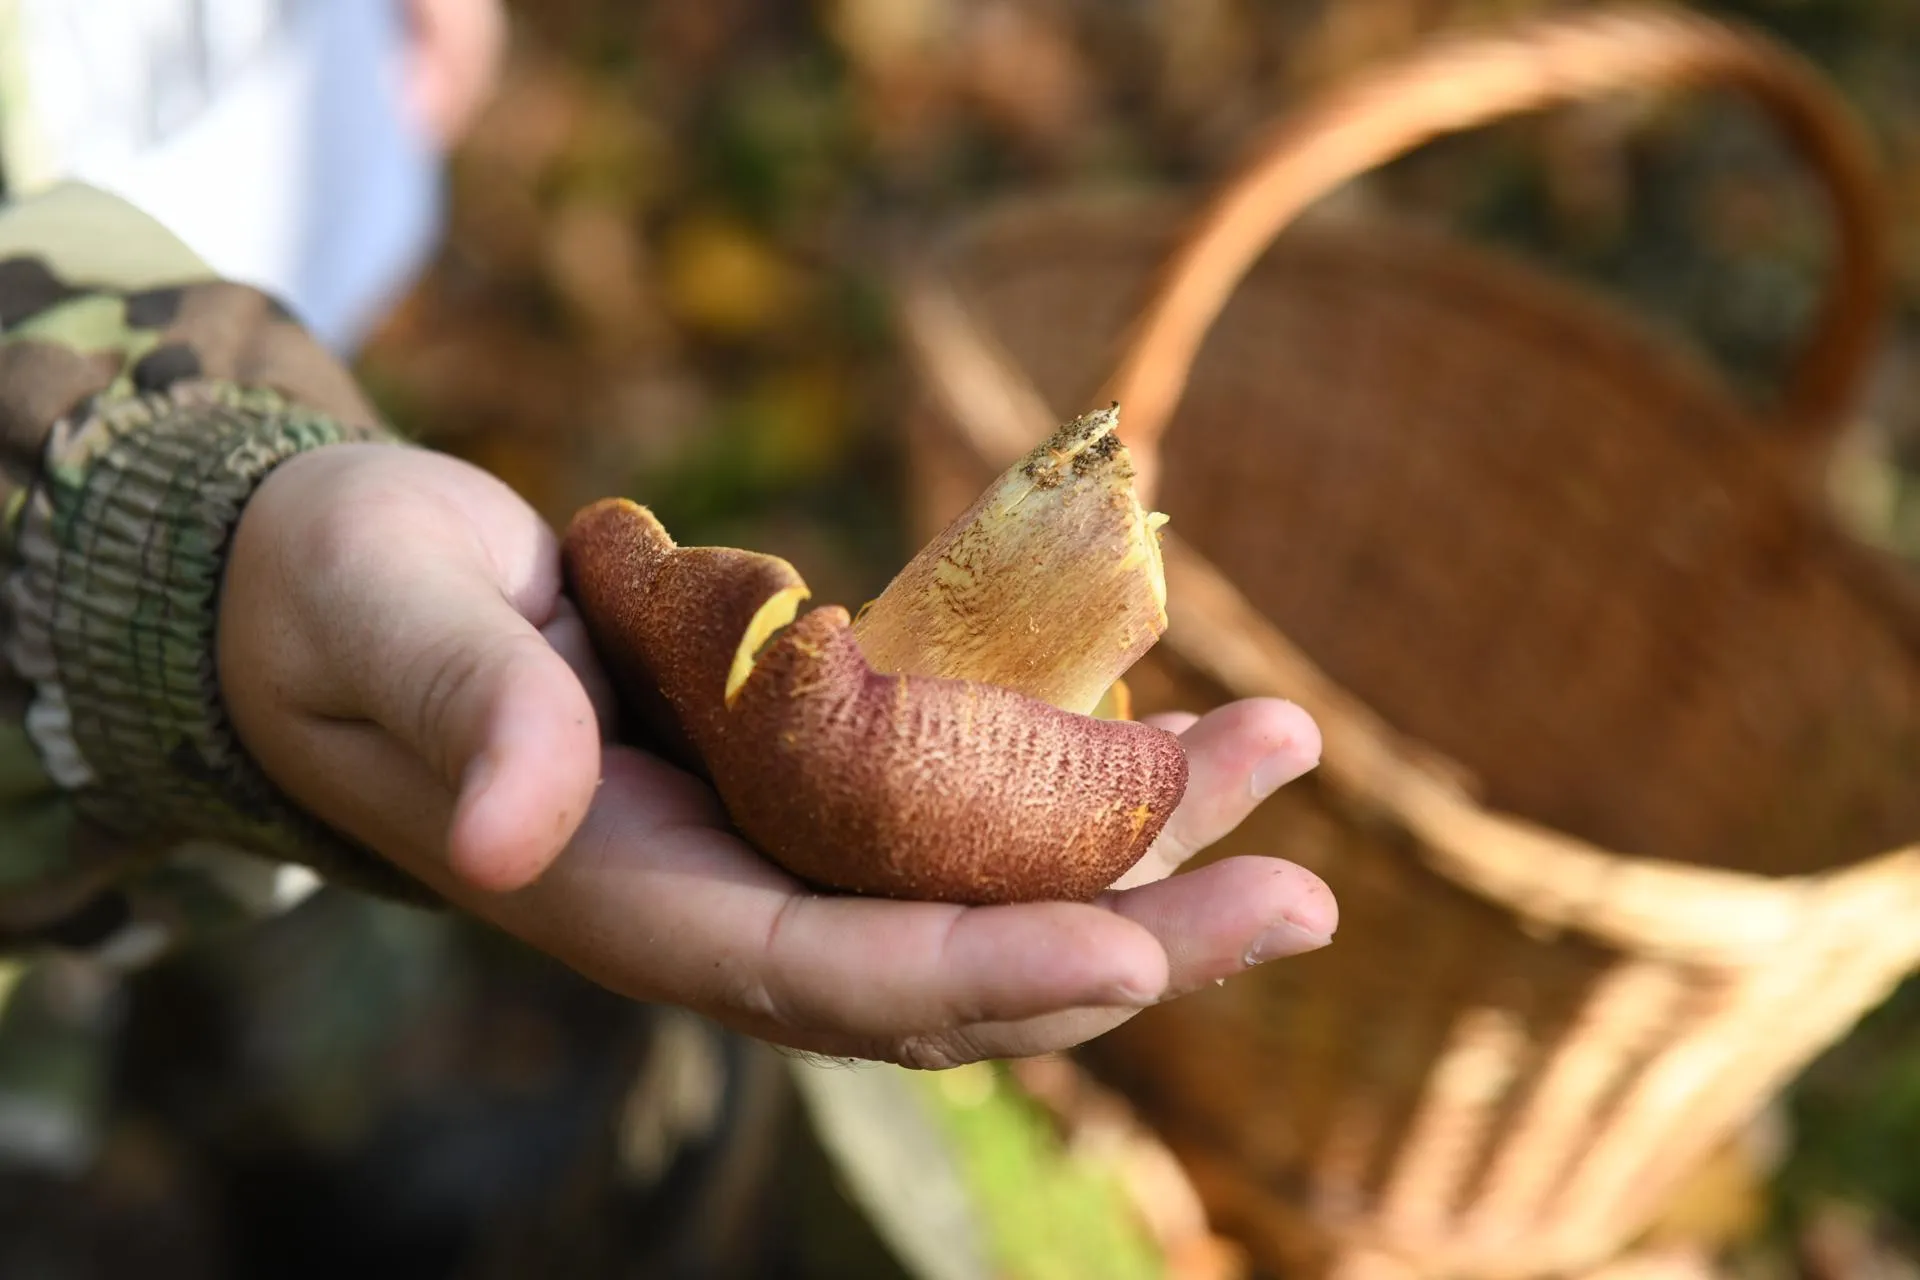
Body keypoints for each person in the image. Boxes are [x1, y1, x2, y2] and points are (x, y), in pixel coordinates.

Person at [0, 0, 1336, 1246]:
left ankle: (319, 1084)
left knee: (332, 841)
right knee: (352, 755)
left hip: (228, 226)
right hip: (118, 346)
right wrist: (168, 542)